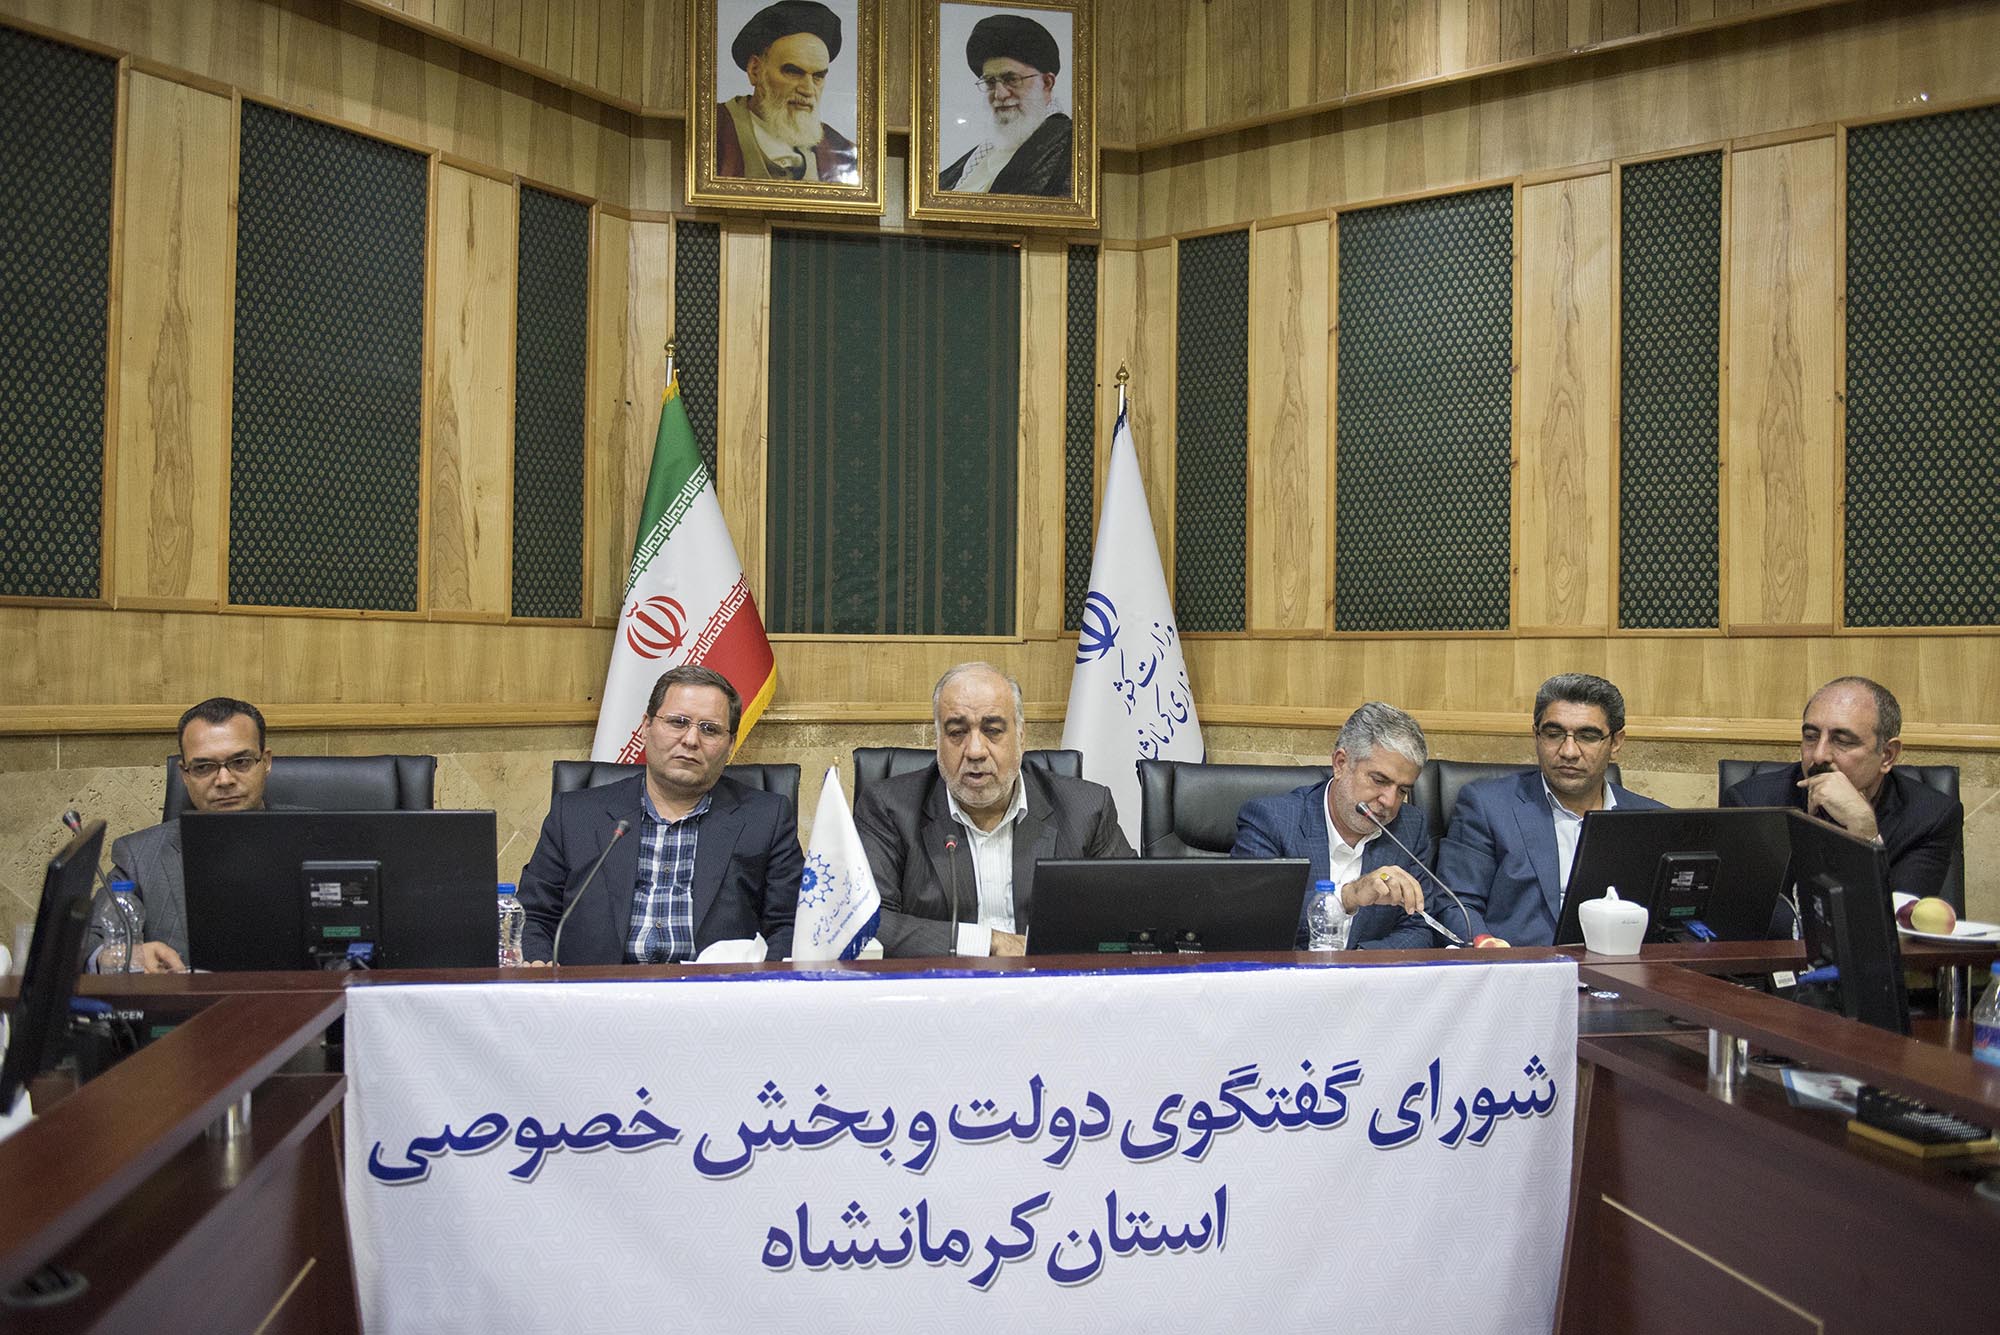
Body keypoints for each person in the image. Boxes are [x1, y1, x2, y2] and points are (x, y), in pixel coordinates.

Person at [519, 666, 801, 964]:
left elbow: (790, 924)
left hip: (718, 988)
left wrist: (766, 981)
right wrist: (539, 964)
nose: (691, 740)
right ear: (646, 726)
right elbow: (533, 915)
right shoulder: (576, 816)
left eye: (709, 729)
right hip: (599, 987)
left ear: (730, 744)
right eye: (678, 722)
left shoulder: (766, 818)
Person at [854, 662, 1131, 957]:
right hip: (943, 981)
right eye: (957, 732)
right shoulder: (888, 809)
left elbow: (1131, 913)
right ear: (938, 741)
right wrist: (990, 942)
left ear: (1021, 737)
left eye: (993, 730)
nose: (975, 750)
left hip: (1050, 981)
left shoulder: (1086, 809)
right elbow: (867, 922)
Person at [1434, 673, 1666, 948]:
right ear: (1536, 736)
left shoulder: (1654, 820)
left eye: (1587, 736)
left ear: (1616, 742)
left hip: (1622, 968)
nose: (1568, 751)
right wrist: (1485, 946)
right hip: (1521, 966)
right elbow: (1456, 904)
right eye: (1554, 734)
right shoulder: (1488, 806)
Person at [1721, 676, 1962, 900]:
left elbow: (1898, 924)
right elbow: (1743, 917)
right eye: (1811, 737)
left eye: (1842, 741)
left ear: (1887, 755)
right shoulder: (1750, 803)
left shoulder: (1929, 819)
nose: (1819, 755)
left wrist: (1865, 833)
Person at [1230, 702, 1436, 950]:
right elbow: (1251, 920)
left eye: (1402, 790)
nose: (1390, 802)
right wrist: (1348, 897)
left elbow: (1419, 928)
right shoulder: (1273, 820)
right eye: (1379, 780)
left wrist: (1357, 963)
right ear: (1340, 764)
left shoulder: (1409, 828)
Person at [104, 696, 275, 972]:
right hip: (186, 999)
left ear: (265, 762)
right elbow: (91, 941)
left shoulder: (323, 837)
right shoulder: (138, 857)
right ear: (185, 774)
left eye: (241, 762)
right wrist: (127, 956)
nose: (224, 780)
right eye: (203, 767)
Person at [714, 0, 859, 184]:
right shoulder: (712, 131)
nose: (808, 90)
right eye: (793, 72)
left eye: (818, 76)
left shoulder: (841, 154)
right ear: (755, 70)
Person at [939, 14, 1073, 196]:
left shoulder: (1070, 144)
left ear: (1047, 83)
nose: (1000, 94)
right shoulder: (985, 151)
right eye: (990, 82)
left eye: (1011, 79)